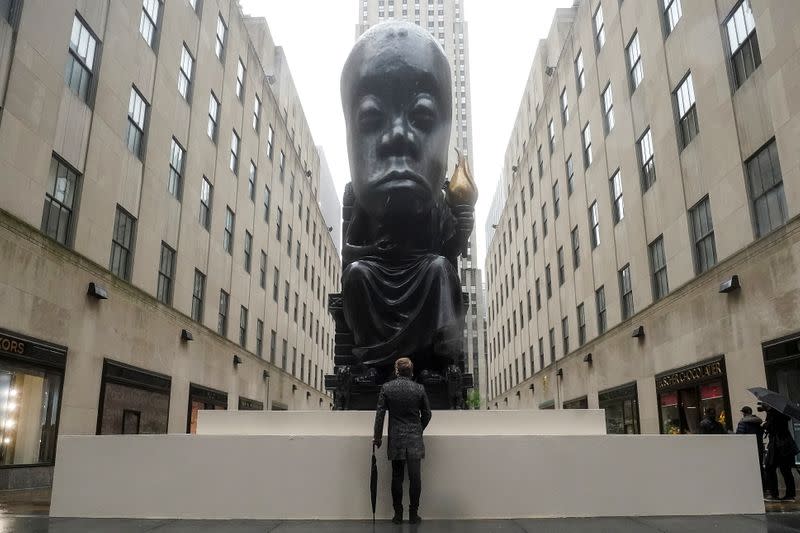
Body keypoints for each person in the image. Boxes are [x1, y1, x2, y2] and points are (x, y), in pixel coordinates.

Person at [339, 21, 474, 379]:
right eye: (371, 117)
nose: (397, 136)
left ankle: (438, 361)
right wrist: (371, 256)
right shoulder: (358, 197)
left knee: (440, 271)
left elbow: (450, 251)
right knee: (356, 276)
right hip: (378, 273)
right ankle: (371, 362)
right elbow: (349, 255)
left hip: (422, 270)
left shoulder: (438, 198)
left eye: (422, 116)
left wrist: (464, 224)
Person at [373, 357, 432, 524]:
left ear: (397, 371)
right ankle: (413, 514)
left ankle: (398, 515)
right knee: (415, 477)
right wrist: (419, 429)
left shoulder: (387, 388)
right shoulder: (419, 388)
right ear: (411, 371)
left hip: (396, 438)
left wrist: (377, 438)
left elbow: (380, 415)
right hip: (414, 438)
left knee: (397, 477)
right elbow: (427, 414)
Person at [763, 405, 798, 501]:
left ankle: (774, 494)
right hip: (784, 445)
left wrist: (765, 424)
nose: (762, 406)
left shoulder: (774, 414)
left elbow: (772, 428)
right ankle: (790, 495)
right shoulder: (781, 414)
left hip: (778, 446)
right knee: (785, 470)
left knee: (770, 468)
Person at [736, 406, 765, 489]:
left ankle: (753, 487)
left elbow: (739, 436)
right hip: (758, 447)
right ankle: (763, 486)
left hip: (747, 450)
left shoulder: (742, 423)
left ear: (744, 413)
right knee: (759, 467)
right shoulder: (758, 422)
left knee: (749, 468)